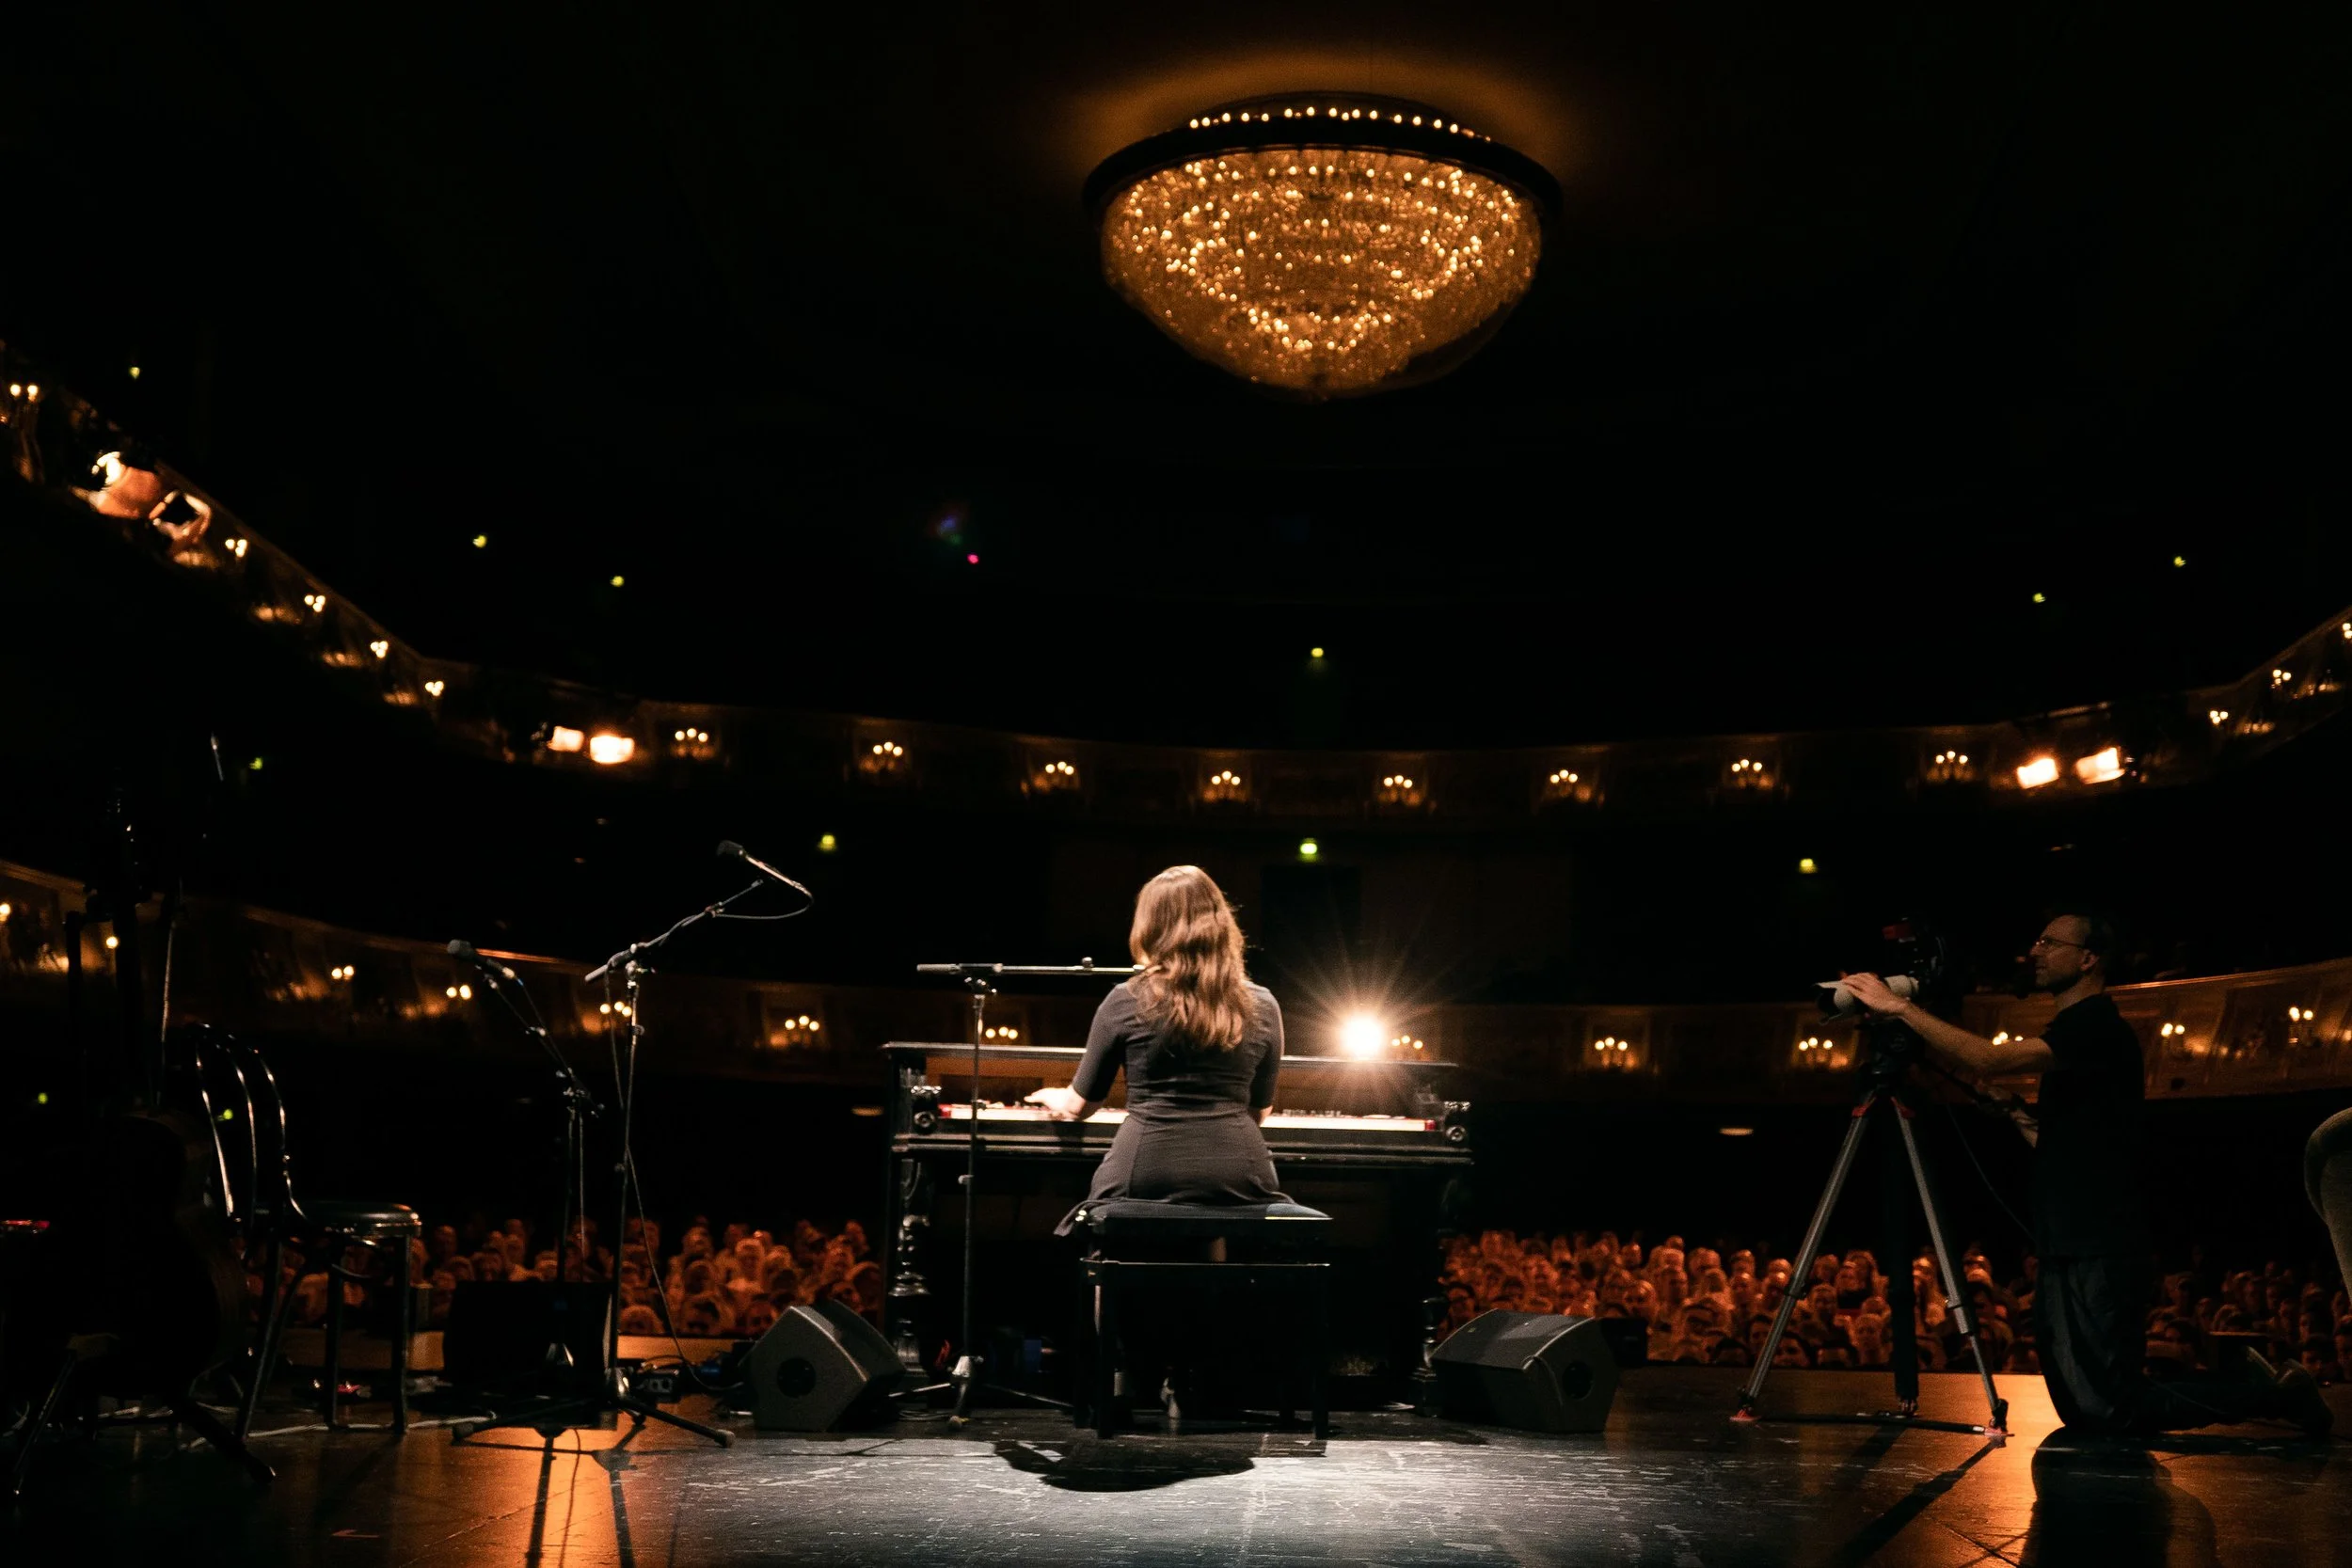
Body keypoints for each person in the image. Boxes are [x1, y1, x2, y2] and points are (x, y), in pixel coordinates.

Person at [1842, 910, 2329, 1437]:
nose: (2036, 950)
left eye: (2051, 942)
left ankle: (2277, 1395)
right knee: (2082, 1404)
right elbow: (2069, 1140)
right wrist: (2016, 1114)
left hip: (2100, 1241)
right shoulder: (2074, 1031)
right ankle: (2256, 1386)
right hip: (2068, 1239)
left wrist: (1900, 1007)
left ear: (2088, 958)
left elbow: (1987, 1058)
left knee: (2112, 1405)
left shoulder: (2095, 1024)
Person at [1026, 865, 1291, 1234]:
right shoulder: (1263, 1004)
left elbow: (1081, 1106)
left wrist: (1057, 1096)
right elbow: (1258, 1112)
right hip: (1240, 1175)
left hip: (1146, 1169)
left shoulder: (1126, 999)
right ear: (1221, 925)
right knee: (1215, 1234)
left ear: (1150, 928)